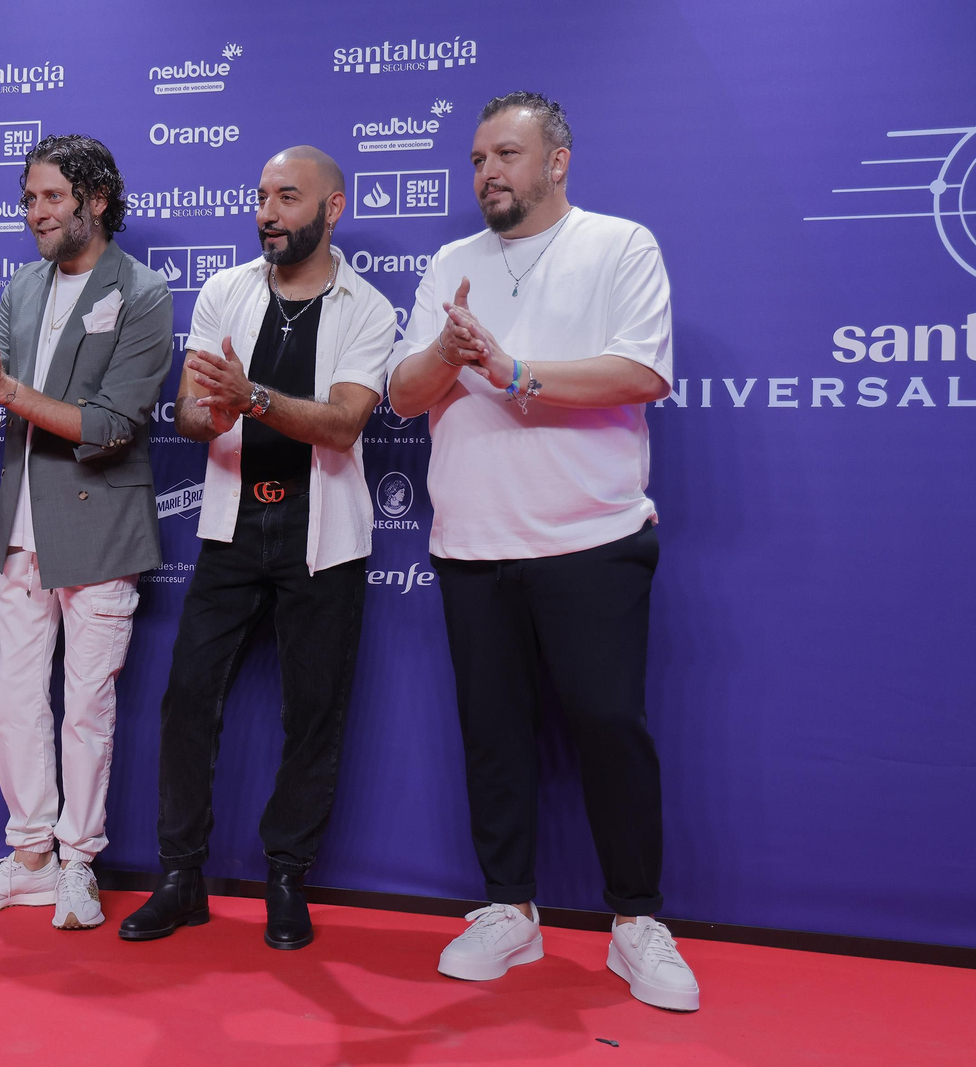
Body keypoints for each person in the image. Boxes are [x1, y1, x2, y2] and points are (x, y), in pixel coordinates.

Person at [386, 92, 699, 1011]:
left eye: (507, 155)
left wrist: (514, 371)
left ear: (557, 160)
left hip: (591, 537)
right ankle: (507, 910)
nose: (488, 172)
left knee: (610, 726)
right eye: (479, 158)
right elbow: (404, 395)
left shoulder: (620, 244)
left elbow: (642, 369)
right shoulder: (450, 262)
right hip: (473, 542)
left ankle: (636, 922)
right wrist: (449, 348)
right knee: (493, 738)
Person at [118, 147, 395, 951]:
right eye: (262, 197)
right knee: (187, 698)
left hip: (324, 532)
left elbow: (344, 423)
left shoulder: (368, 309)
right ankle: (180, 875)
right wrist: (211, 412)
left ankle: (285, 875)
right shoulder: (224, 291)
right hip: (232, 527)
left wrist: (251, 398)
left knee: (314, 712)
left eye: (287, 197)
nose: (268, 212)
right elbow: (191, 415)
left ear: (332, 208)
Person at [0, 134, 173, 931]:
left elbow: (108, 427)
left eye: (51, 198)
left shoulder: (142, 292)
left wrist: (3, 384)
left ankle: (77, 861)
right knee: (17, 703)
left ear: (96, 200)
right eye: (28, 198)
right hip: (22, 530)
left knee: (86, 708)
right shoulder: (22, 286)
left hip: (101, 528)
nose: (35, 213)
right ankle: (29, 853)